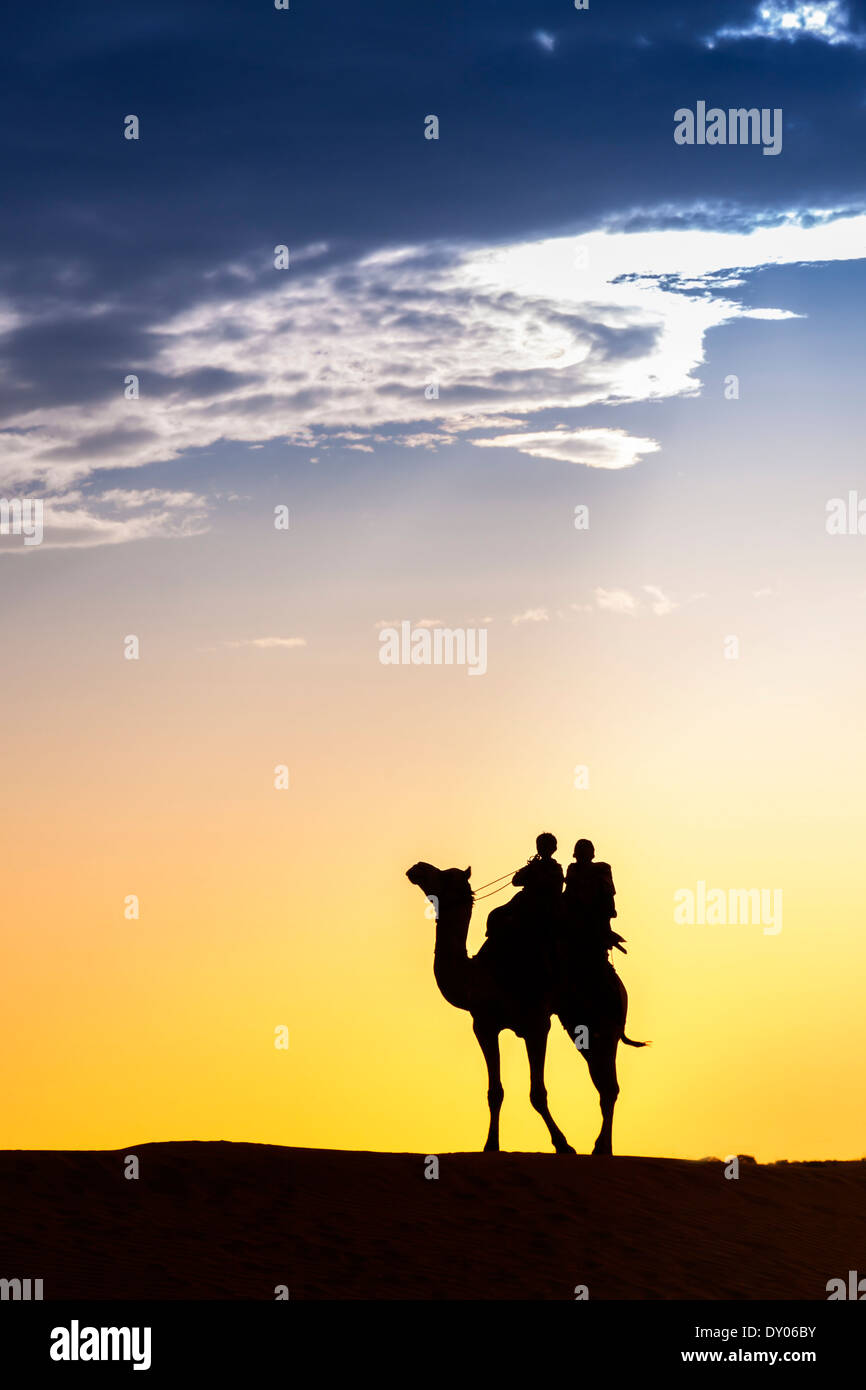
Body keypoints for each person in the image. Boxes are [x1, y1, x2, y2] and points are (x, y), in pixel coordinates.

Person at [485, 832, 564, 942]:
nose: (541, 848)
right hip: (523, 900)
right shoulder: (534, 865)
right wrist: (530, 868)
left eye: (545, 845)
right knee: (495, 915)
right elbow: (515, 881)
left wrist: (534, 871)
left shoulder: (556, 869)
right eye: (540, 845)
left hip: (543, 906)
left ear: (553, 848)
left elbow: (553, 889)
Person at [563, 839, 626, 958]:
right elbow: (568, 894)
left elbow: (608, 896)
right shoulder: (573, 869)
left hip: (595, 923)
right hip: (576, 922)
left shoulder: (602, 869)